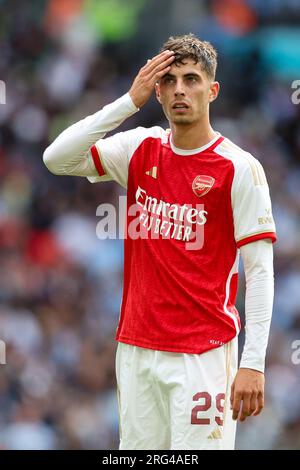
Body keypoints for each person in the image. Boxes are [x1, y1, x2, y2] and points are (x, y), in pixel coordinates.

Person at [43, 34, 277, 450]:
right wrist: (128, 102)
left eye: (191, 79)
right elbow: (56, 158)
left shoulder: (239, 167)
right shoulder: (139, 147)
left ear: (213, 90)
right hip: (136, 349)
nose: (180, 90)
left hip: (203, 353)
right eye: (168, 80)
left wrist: (253, 363)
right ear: (158, 90)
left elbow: (259, 270)